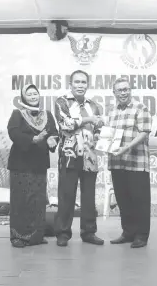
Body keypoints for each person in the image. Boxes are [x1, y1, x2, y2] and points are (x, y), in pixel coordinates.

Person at [54, 70, 104, 247]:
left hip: (90, 156)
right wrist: (88, 119)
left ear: (87, 85)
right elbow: (65, 124)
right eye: (77, 82)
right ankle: (63, 233)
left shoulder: (95, 105)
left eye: (83, 82)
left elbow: (98, 130)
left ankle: (89, 232)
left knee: (89, 196)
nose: (80, 85)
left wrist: (99, 135)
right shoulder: (62, 102)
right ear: (71, 84)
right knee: (67, 195)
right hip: (70, 155)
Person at [7, 84, 58, 248]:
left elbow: (54, 132)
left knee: (38, 199)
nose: (33, 96)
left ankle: (36, 235)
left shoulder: (47, 114)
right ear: (23, 97)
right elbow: (13, 132)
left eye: (35, 93)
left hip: (39, 163)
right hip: (20, 163)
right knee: (21, 200)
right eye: (29, 94)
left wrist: (52, 140)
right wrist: (32, 140)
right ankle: (19, 236)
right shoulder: (17, 114)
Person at [108, 77, 152, 249]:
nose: (123, 92)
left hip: (137, 162)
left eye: (126, 89)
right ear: (114, 93)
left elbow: (144, 133)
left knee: (139, 200)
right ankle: (128, 233)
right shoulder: (112, 111)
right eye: (120, 90)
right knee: (123, 200)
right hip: (117, 162)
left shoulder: (140, 107)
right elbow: (109, 135)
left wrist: (127, 147)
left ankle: (141, 235)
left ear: (130, 90)